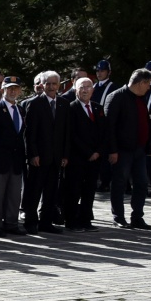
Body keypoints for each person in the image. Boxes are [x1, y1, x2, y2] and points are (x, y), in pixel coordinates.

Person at [105, 68, 151, 229]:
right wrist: (112, 150)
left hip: (139, 150)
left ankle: (137, 217)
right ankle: (118, 217)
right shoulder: (116, 97)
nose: (149, 87)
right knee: (119, 184)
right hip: (121, 150)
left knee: (141, 183)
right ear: (141, 83)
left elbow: (146, 122)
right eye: (148, 84)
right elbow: (109, 127)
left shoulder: (141, 99)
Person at [0, 77, 28, 235]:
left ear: (20, 90)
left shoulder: (21, 110)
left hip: (15, 160)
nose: (13, 91)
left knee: (14, 195)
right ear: (3, 90)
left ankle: (11, 223)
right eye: (9, 88)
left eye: (16, 88)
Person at [21, 71, 65, 233]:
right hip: (39, 156)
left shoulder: (63, 104)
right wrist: (32, 154)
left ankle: (46, 222)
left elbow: (65, 132)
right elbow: (30, 133)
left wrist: (64, 155)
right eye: (48, 84)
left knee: (51, 191)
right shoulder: (35, 103)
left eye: (54, 84)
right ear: (42, 85)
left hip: (56, 157)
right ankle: (31, 222)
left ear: (58, 85)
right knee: (34, 190)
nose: (51, 87)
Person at [62, 76, 106, 231]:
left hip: (95, 158)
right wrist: (88, 152)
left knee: (89, 190)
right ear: (75, 90)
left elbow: (103, 132)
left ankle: (86, 219)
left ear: (93, 90)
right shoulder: (70, 108)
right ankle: (71, 221)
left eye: (88, 86)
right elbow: (71, 134)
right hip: (77, 158)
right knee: (74, 191)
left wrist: (98, 152)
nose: (85, 90)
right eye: (82, 87)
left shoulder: (98, 108)